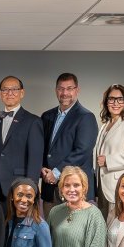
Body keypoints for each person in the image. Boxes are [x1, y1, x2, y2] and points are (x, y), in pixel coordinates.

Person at [41, 73, 99, 216]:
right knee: (52, 232)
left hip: (75, 188)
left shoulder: (86, 117)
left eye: (69, 88)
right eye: (61, 89)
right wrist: (41, 168)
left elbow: (82, 151)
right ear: (56, 90)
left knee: (75, 233)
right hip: (50, 187)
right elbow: (43, 148)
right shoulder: (47, 116)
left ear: (77, 90)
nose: (65, 93)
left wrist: (56, 172)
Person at [0, 76, 43, 205]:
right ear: (0, 93)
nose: (9, 93)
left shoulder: (33, 121)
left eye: (14, 89)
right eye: (5, 89)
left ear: (22, 93)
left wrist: (30, 189)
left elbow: (35, 159)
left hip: (21, 187)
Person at [93, 84, 124, 216]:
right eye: (111, 99)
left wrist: (107, 161)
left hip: (119, 187)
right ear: (106, 102)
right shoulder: (104, 126)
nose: (115, 103)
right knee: (105, 229)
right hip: (102, 187)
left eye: (120, 99)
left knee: (118, 230)